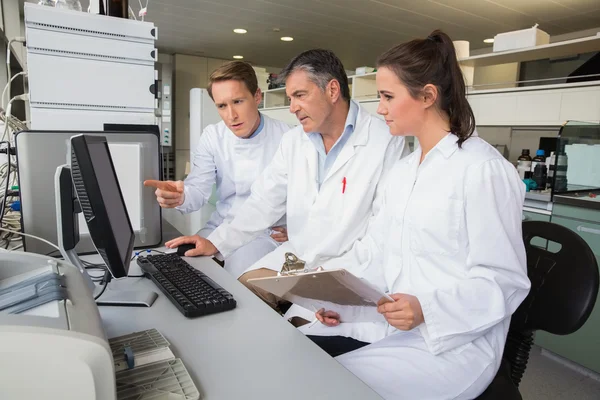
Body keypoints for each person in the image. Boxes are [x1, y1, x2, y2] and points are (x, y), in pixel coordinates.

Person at [298, 30, 532, 399]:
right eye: (379, 97)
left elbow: (504, 281)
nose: (380, 108)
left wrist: (427, 309)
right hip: (396, 326)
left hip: (453, 344)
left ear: (427, 96)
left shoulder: (482, 170)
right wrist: (335, 295)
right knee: (294, 356)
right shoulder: (405, 171)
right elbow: (375, 251)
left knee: (329, 388)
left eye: (388, 96)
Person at [165, 49, 408, 310]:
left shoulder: (385, 141)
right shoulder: (295, 142)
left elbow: (384, 231)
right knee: (240, 295)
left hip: (350, 268)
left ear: (333, 90)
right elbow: (263, 202)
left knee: (291, 322)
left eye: (300, 95)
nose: (292, 107)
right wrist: (216, 241)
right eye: (290, 97)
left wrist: (328, 279)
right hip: (298, 260)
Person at [144, 61, 293, 278]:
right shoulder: (213, 136)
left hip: (265, 233)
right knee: (178, 266)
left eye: (238, 102)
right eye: (222, 106)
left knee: (237, 280)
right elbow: (198, 190)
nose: (231, 115)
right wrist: (181, 196)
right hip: (221, 225)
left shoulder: (288, 137)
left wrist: (299, 229)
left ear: (257, 96)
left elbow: (304, 197)